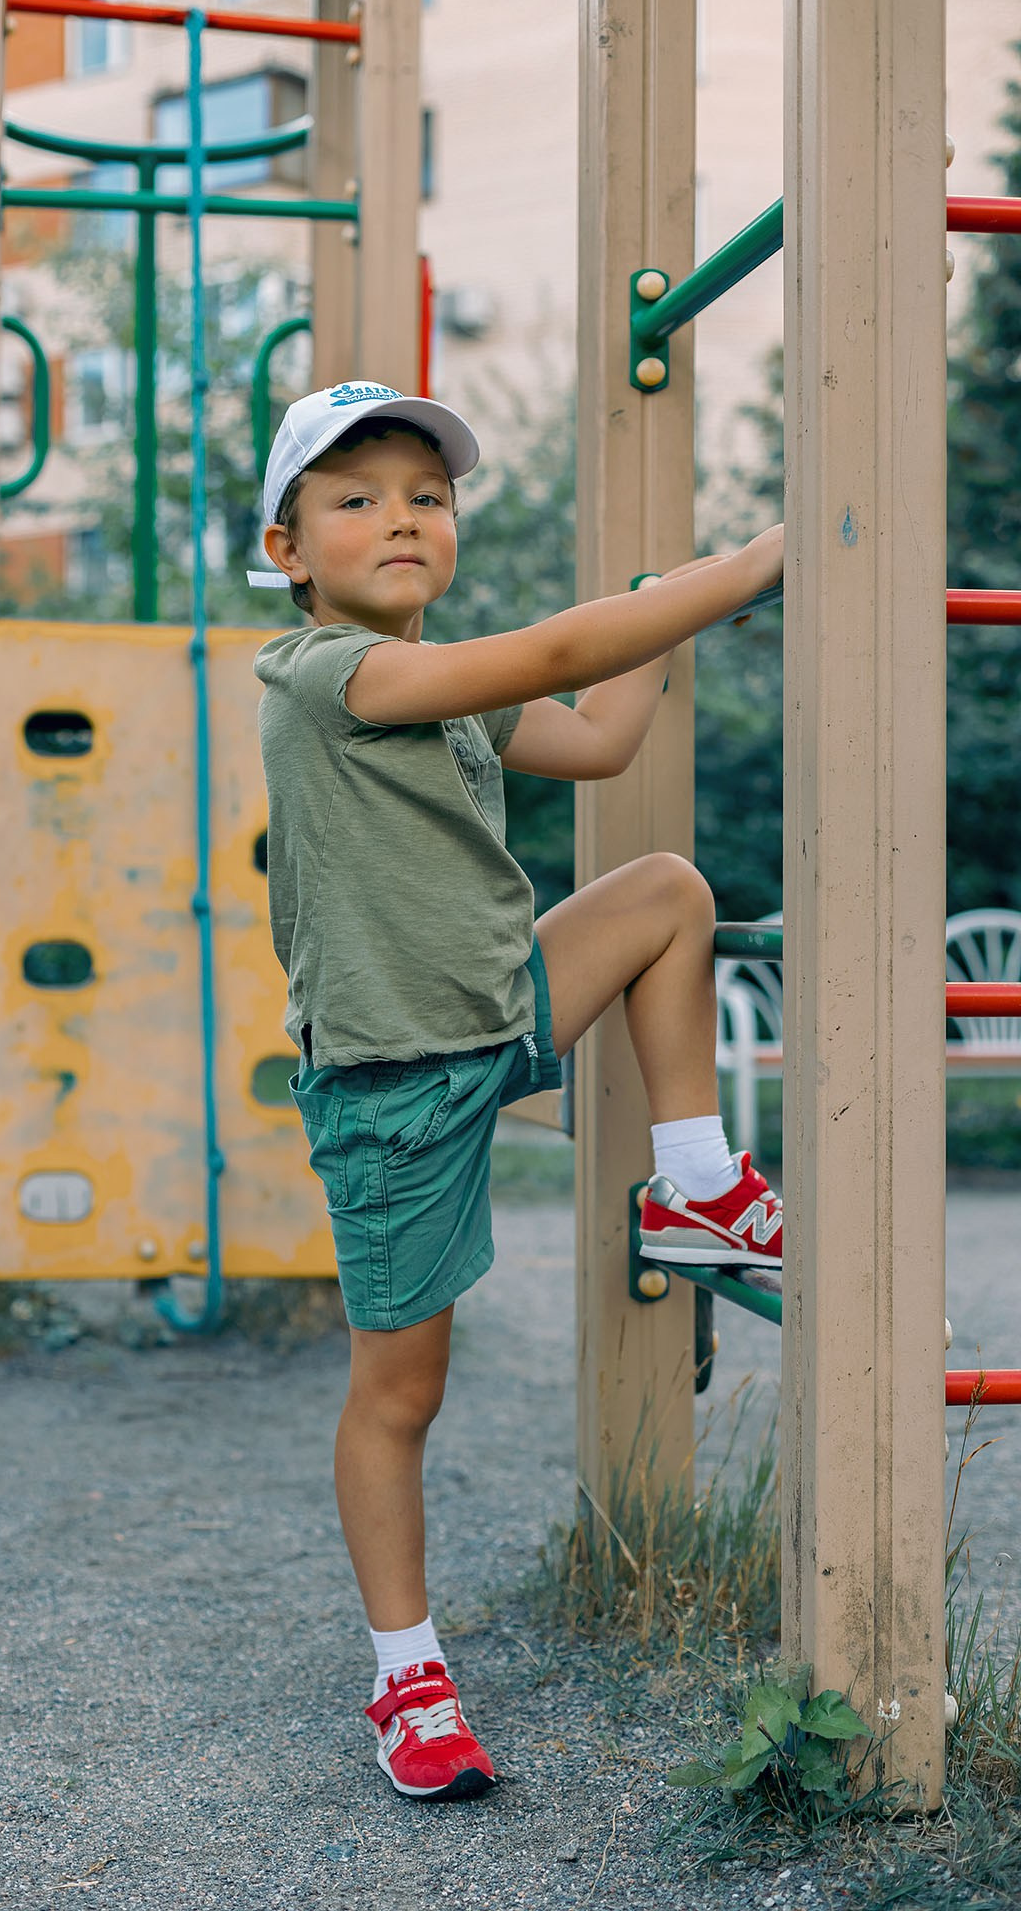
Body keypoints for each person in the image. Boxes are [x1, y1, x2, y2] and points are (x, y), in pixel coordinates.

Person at [252, 381, 784, 1803]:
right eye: (354, 498)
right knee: (402, 1392)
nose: (401, 519)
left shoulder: (455, 699)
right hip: (389, 1088)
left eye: (426, 496)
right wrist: (741, 571)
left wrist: (668, 607)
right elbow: (550, 648)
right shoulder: (328, 674)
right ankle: (406, 1671)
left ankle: (702, 1184)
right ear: (290, 550)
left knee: (665, 890)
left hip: (497, 1013)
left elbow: (601, 730)